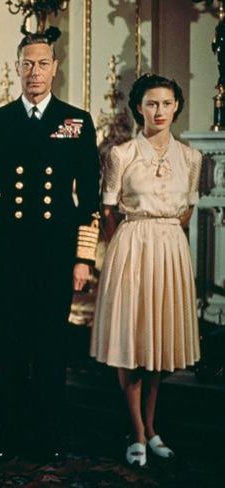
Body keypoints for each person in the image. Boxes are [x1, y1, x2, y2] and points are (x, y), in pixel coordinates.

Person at [0, 30, 101, 461]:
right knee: (10, 344)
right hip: (9, 251)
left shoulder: (75, 120)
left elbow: (90, 194)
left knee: (49, 345)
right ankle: (10, 433)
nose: (34, 72)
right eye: (27, 63)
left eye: (42, 63)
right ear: (17, 67)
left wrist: (84, 257)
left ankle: (47, 436)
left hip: (55, 252)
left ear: (55, 68)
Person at [90, 74, 201, 467]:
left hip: (170, 248)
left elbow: (187, 210)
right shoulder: (121, 155)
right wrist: (127, 246)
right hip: (132, 246)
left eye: (167, 103)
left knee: (158, 344)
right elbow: (107, 210)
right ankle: (136, 432)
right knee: (133, 343)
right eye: (152, 103)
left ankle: (152, 428)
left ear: (176, 107)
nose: (159, 111)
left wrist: (165, 236)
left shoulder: (190, 158)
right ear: (139, 107)